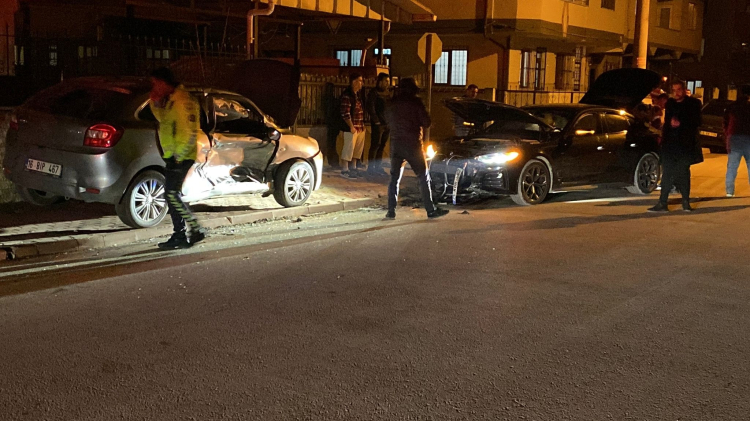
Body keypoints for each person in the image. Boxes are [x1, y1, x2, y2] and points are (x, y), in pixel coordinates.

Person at [149, 67, 205, 249]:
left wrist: (178, 157)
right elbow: (164, 121)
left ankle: (188, 231)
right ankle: (185, 232)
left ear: (163, 82)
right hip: (174, 155)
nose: (154, 87)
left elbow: (189, 133)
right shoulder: (172, 99)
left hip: (180, 156)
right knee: (172, 194)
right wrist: (155, 103)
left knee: (172, 194)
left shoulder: (182, 101)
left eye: (155, 83)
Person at [384, 78, 449, 220]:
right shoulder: (416, 102)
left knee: (394, 179)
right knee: (423, 176)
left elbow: (386, 120)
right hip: (413, 145)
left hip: (396, 144)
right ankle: (430, 210)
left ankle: (391, 211)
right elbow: (426, 122)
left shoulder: (392, 103)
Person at [648, 80, 703, 213]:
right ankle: (662, 203)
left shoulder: (693, 103)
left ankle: (685, 202)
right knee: (667, 173)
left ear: (684, 90)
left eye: (678, 90)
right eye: (673, 90)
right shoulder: (670, 104)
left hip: (685, 145)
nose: (676, 93)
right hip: (670, 145)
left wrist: (681, 122)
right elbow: (667, 122)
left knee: (683, 173)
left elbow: (697, 121)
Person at [723, 85, 750, 197]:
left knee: (732, 166)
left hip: (734, 138)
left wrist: (728, 136)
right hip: (748, 138)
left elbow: (725, 122)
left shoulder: (732, 106)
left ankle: (729, 191)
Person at [339, 73, 366, 178]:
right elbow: (345, 112)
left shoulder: (357, 95)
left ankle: (353, 167)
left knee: (357, 149)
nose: (361, 83)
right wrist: (351, 126)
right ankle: (345, 169)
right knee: (348, 148)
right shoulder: (347, 95)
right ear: (354, 82)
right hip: (352, 127)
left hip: (359, 126)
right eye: (360, 81)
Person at [366, 73, 392, 176]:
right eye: (386, 81)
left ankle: (378, 166)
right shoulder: (374, 93)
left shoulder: (387, 93)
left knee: (382, 146)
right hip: (378, 124)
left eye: (388, 82)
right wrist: (376, 121)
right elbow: (370, 107)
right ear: (380, 82)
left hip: (387, 123)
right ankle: (371, 168)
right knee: (375, 145)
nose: (387, 84)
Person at [322, 81, 340, 169]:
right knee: (332, 144)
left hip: (331, 124)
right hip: (333, 124)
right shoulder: (332, 99)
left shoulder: (326, 99)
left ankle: (333, 161)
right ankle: (333, 162)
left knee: (331, 144)